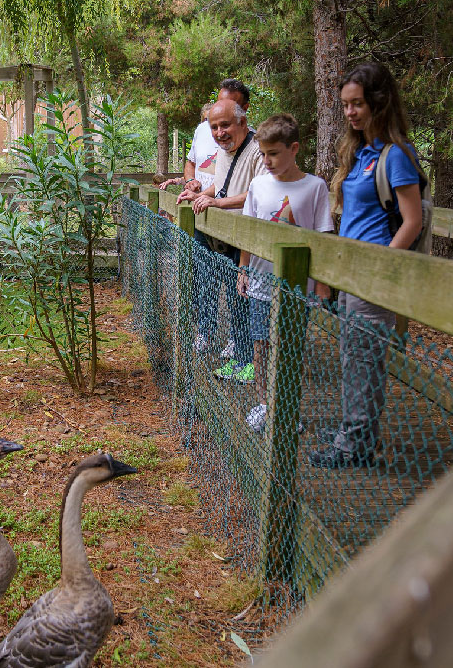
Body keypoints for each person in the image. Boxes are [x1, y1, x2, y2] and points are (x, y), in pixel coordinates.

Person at [306, 61, 425, 468]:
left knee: (362, 361)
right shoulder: (360, 153)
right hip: (351, 273)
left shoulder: (396, 157)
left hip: (374, 276)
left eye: (358, 104)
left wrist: (382, 268)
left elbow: (413, 221)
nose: (351, 113)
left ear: (379, 102)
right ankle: (355, 437)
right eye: (345, 105)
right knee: (355, 358)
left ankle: (354, 447)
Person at [207, 114, 333, 433]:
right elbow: (249, 232)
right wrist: (243, 269)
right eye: (263, 154)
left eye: (274, 154)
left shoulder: (315, 187)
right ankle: (264, 403)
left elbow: (323, 239)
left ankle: (287, 407)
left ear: (294, 149)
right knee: (261, 345)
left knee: (289, 347)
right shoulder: (259, 185)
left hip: (296, 288)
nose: (267, 161)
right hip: (261, 283)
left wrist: (322, 285)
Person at [176, 98, 267, 364]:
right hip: (225, 236)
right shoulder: (225, 151)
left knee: (245, 301)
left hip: (249, 240)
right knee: (232, 296)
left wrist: (216, 202)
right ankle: (241, 358)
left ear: (242, 121)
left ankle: (250, 362)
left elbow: (259, 193)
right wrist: (199, 195)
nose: (219, 133)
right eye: (214, 127)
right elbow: (220, 184)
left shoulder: (258, 149)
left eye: (225, 125)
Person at [160, 78, 252, 194]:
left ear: (244, 109)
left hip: (226, 210)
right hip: (198, 208)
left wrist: (203, 198)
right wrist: (190, 181)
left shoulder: (253, 143)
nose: (220, 133)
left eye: (230, 106)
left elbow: (248, 190)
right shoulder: (202, 129)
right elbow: (191, 163)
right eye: (219, 104)